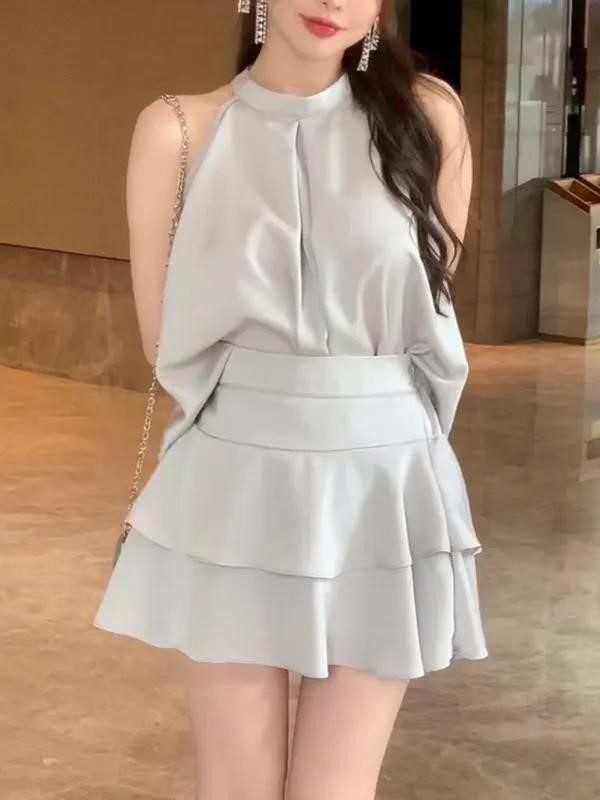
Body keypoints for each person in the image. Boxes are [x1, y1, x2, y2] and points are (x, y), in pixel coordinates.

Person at [94, 1, 488, 798]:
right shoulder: (178, 130)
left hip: (386, 484)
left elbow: (431, 319)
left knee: (336, 788)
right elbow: (164, 342)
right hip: (237, 479)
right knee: (236, 784)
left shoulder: (429, 117)